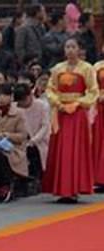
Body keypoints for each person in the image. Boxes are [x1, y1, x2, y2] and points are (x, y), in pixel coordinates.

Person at [43, 37, 98, 202]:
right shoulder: (57, 68)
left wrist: (78, 103)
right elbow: (50, 89)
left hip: (77, 113)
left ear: (79, 49)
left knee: (75, 149)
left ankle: (73, 188)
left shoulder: (87, 68)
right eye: (67, 47)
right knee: (61, 149)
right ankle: (61, 188)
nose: (70, 50)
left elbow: (93, 91)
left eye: (73, 47)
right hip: (61, 112)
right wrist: (58, 104)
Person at [0, 83, 28, 202]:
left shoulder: (19, 113)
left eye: (5, 95)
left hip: (12, 149)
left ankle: (4, 186)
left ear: (10, 97)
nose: (1, 98)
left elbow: (23, 136)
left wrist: (7, 135)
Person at [14, 83, 50, 191]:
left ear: (30, 96)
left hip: (40, 139)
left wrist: (34, 140)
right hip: (21, 139)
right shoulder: (16, 107)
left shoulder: (42, 106)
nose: (22, 104)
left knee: (33, 151)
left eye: (23, 101)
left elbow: (45, 126)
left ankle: (36, 179)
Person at [93, 59, 104, 191]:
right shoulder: (97, 66)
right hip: (100, 108)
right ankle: (99, 178)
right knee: (99, 142)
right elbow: (91, 87)